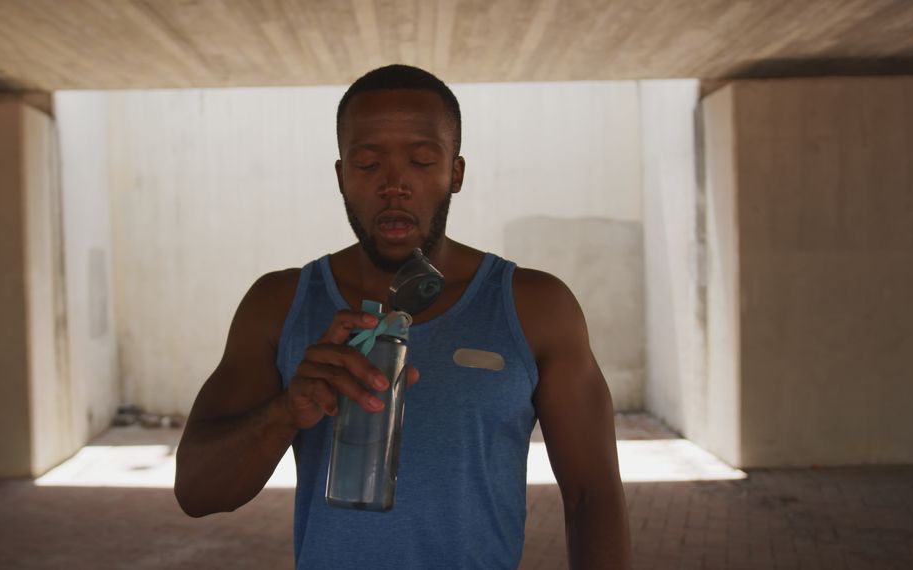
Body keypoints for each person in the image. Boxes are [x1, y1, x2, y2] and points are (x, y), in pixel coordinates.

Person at [174, 64, 631, 569]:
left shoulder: (535, 307)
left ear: (455, 173)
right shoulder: (279, 304)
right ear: (341, 176)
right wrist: (287, 411)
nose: (395, 185)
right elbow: (198, 492)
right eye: (368, 164)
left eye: (420, 160)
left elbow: (593, 498)